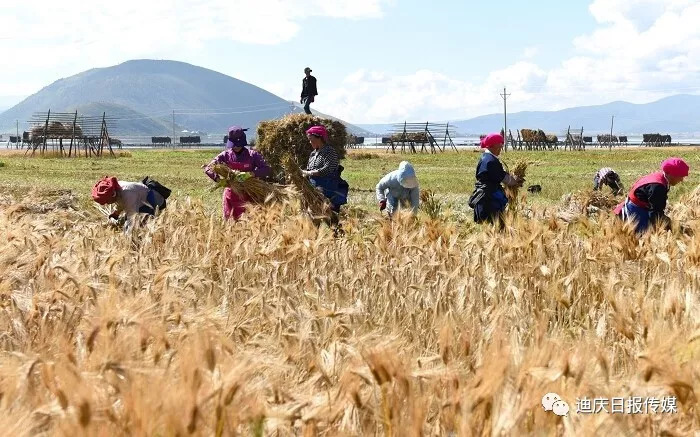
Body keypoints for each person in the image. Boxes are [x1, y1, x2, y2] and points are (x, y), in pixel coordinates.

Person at [203, 126, 271, 220]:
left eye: (238, 145)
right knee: (230, 225)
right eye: (234, 145)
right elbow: (208, 168)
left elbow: (266, 169)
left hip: (249, 195)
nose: (236, 147)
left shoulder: (253, 155)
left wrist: (251, 174)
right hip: (231, 196)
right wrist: (218, 179)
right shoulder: (225, 155)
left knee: (249, 223)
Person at [614, 157, 689, 233]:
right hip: (634, 211)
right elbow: (655, 215)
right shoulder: (658, 187)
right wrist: (674, 227)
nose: (682, 180)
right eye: (680, 176)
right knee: (642, 237)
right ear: (671, 174)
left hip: (637, 206)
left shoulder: (660, 177)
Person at [468, 133, 524, 227]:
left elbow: (499, 174)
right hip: (488, 197)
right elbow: (502, 177)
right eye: (500, 146)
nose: (500, 149)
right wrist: (514, 181)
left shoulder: (485, 158)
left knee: (490, 227)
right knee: (494, 225)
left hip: (485, 195)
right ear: (493, 146)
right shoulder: (490, 161)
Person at [301, 125, 348, 227]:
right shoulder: (313, 154)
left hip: (328, 189)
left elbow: (327, 169)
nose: (310, 142)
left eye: (311, 139)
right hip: (314, 191)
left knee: (331, 220)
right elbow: (309, 169)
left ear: (319, 137)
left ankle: (337, 238)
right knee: (313, 218)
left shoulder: (329, 151)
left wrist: (308, 173)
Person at [91, 176, 167, 232]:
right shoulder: (115, 189)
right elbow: (120, 200)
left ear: (113, 195)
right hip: (139, 201)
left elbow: (132, 217)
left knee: (138, 228)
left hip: (154, 201)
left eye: (107, 201)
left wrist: (128, 237)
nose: (107, 203)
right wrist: (116, 213)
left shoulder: (128, 193)